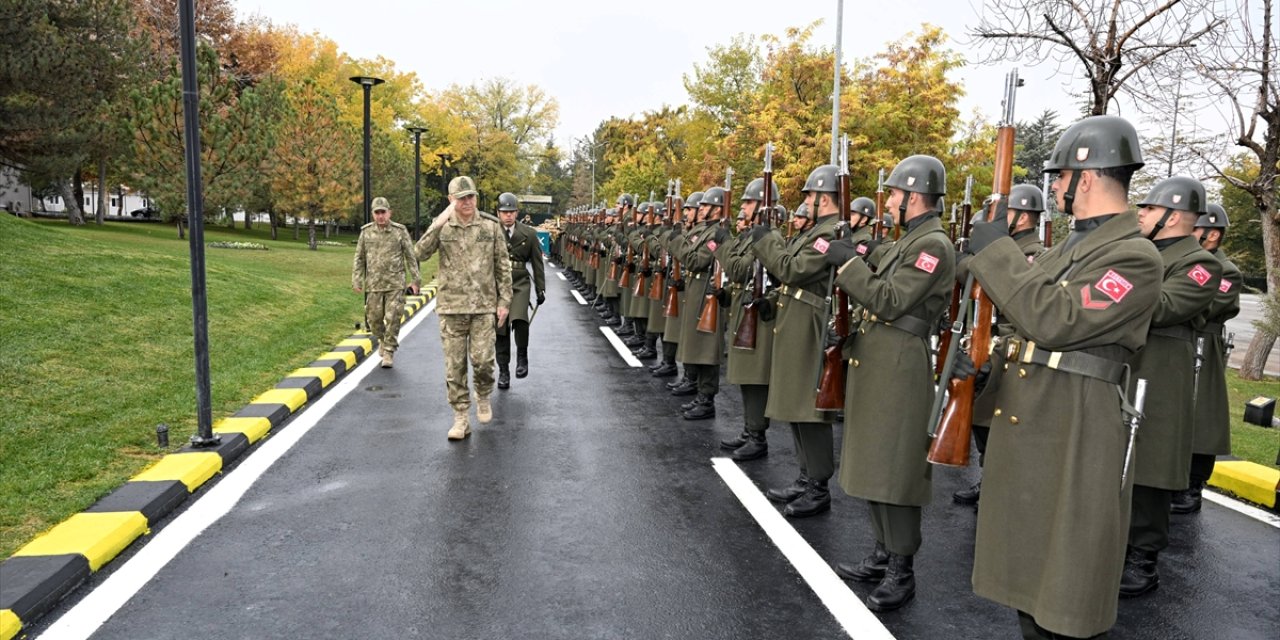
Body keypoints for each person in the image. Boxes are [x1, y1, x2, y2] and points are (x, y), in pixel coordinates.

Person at [964, 115, 1163, 639]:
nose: (1054, 187)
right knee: (1031, 581)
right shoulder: (1069, 248)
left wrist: (994, 250)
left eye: (1059, 177)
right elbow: (1026, 326)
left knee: (1066, 592)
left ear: (1087, 176)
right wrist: (989, 357)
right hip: (1036, 420)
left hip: (1077, 426)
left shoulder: (1135, 257)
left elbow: (1057, 318)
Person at [824, 155, 955, 612]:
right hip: (879, 357)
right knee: (878, 461)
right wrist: (855, 255)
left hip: (899, 361)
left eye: (895, 194)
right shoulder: (909, 240)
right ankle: (882, 551)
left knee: (896, 466)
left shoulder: (933, 245)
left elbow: (892, 298)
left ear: (914, 197)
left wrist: (849, 268)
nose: (889, 202)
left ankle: (903, 569)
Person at [1121, 175, 1222, 598]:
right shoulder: (1140, 251)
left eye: (1148, 208)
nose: (1140, 214)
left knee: (1151, 467)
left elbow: (1163, 307)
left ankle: (1143, 558)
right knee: (1116, 465)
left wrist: (1114, 291)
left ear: (1175, 216)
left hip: (1161, 373)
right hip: (1127, 365)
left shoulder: (1202, 264)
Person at [745, 165, 844, 518]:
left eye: (809, 196)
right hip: (794, 317)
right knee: (796, 405)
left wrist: (766, 237)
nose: (804, 202)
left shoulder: (830, 233)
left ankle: (818, 485)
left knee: (809, 407)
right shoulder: (816, 231)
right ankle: (806, 476)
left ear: (823, 198)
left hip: (809, 323)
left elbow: (792, 269)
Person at [952, 183, 1047, 506]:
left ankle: (1001, 486)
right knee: (981, 420)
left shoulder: (1034, 255)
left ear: (1020, 218)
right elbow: (966, 274)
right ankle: (987, 478)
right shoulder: (1002, 251)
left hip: (1009, 349)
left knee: (1001, 426)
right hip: (984, 341)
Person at [414, 176, 513, 441]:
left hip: (483, 308)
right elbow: (419, 253)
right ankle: (460, 417)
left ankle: (482, 394)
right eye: (461, 198)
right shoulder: (443, 227)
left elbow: (503, 266)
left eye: (471, 197)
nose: (467, 202)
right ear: (451, 200)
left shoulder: (490, 227)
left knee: (482, 361)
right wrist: (439, 221)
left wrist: (504, 302)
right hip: (451, 308)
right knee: (454, 367)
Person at [1173, 203, 1242, 513]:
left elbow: (1206, 307)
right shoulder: (1185, 263)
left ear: (1212, 234)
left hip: (1204, 343)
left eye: (1196, 227)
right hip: (1182, 342)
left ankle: (1193, 484)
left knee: (1203, 415)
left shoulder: (1226, 271)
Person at [716, 178, 780, 459]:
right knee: (745, 376)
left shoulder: (768, 237)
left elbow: (740, 269)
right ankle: (748, 430)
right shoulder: (753, 237)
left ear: (763, 206)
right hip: (744, 308)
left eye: (749, 202)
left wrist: (722, 244)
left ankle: (758, 436)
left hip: (759, 315)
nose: (743, 207)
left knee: (754, 378)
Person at [675, 186, 730, 420]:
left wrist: (676, 241)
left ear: (717, 209)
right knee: (698, 345)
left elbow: (696, 261)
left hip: (707, 293)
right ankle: (700, 393)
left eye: (706, 206)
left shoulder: (717, 234)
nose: (701, 209)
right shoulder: (706, 231)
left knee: (707, 349)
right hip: (697, 290)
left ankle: (707, 400)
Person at [352, 196, 420, 368]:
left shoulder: (400, 231)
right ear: (373, 214)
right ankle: (382, 339)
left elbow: (410, 256)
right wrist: (357, 278)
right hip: (374, 284)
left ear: (389, 213)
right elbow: (359, 258)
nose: (381, 216)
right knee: (374, 319)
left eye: (383, 212)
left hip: (395, 283)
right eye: (377, 213)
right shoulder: (366, 232)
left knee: (393, 319)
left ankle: (389, 351)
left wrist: (416, 279)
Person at [494, 192, 546, 390]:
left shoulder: (529, 233)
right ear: (498, 213)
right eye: (504, 212)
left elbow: (537, 263)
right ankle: (503, 370)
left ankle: (522, 357)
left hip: (519, 282)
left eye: (512, 212)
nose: (508, 216)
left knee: (520, 319)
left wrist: (541, 289)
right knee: (501, 328)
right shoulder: (492, 232)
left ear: (517, 213)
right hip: (497, 283)